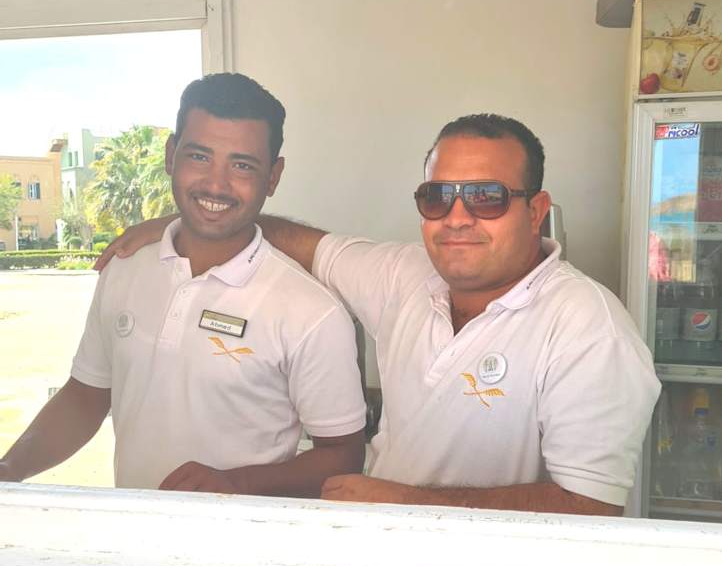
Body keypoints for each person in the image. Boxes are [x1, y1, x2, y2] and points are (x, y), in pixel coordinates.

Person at [94, 112, 660, 515]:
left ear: (535, 210)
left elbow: (591, 507)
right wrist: (195, 223)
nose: (457, 217)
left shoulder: (588, 327)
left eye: (486, 197)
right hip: (384, 557)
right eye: (438, 197)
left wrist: (410, 503)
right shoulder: (404, 276)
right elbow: (302, 242)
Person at [0, 74, 365, 494]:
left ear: (273, 176)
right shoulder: (125, 268)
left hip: (245, 536)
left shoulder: (312, 312)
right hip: (132, 527)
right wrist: (9, 469)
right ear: (171, 155)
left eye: (242, 165)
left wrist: (234, 483)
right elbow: (87, 395)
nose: (216, 184)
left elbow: (343, 454)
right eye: (199, 156)